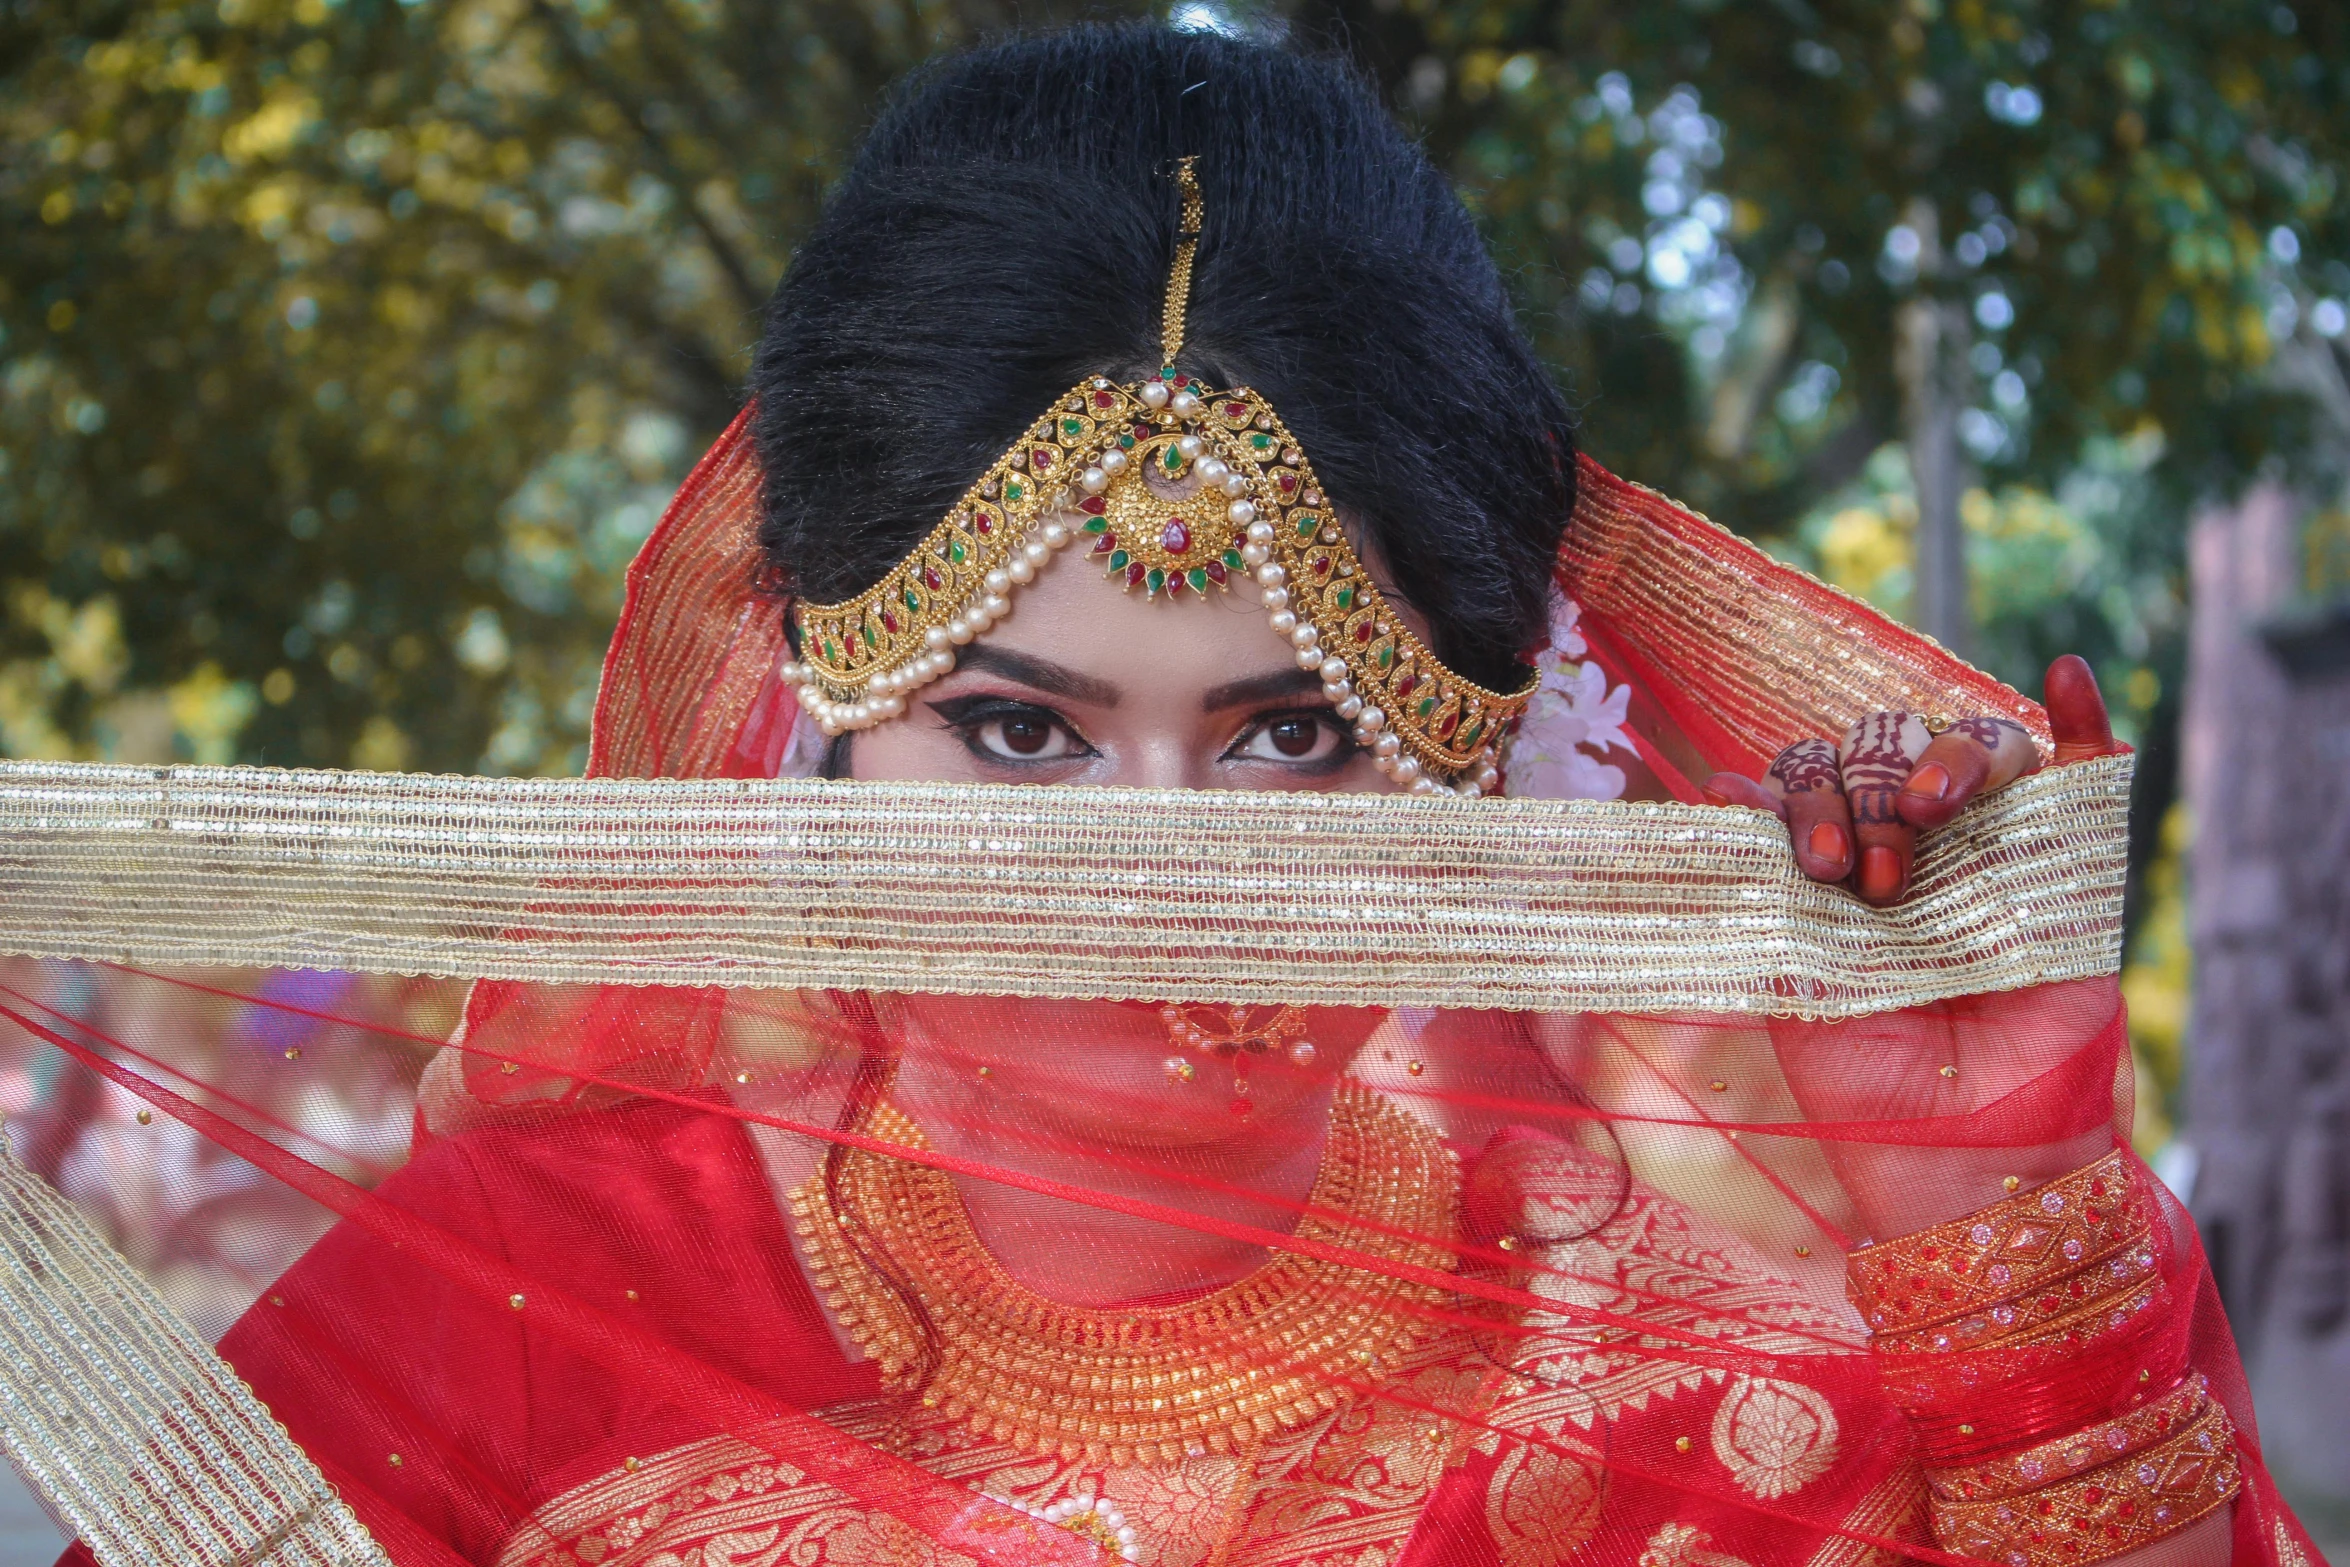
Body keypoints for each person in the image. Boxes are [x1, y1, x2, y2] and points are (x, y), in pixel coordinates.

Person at [48, 24, 2310, 1567]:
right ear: (822, 720)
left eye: (1290, 734)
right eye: (1020, 731)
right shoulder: (508, 1323)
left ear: (1471, 752)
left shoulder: (1715, 1354)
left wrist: (2003, 1225)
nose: (1152, 883)